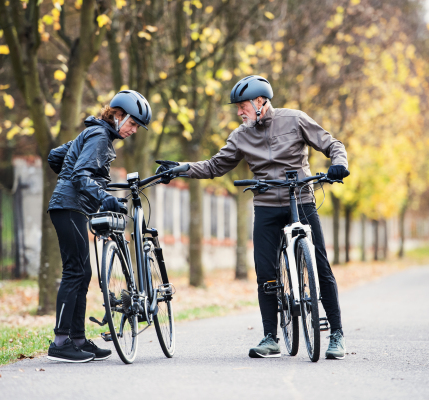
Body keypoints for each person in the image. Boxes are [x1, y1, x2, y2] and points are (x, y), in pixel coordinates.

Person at [156, 75, 349, 359]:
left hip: (302, 199)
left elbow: (333, 145)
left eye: (242, 105)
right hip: (267, 205)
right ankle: (271, 336)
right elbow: (215, 166)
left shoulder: (295, 119)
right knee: (265, 274)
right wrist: (181, 168)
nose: (238, 112)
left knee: (321, 266)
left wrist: (339, 164)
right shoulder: (240, 135)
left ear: (261, 102)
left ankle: (336, 334)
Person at [46, 90, 152, 363]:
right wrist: (104, 197)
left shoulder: (94, 133)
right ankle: (60, 342)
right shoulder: (100, 136)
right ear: (118, 116)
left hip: (71, 206)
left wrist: (74, 181)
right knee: (75, 270)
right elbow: (80, 173)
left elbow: (55, 156)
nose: (134, 130)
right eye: (132, 124)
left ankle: (78, 340)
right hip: (69, 207)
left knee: (83, 271)